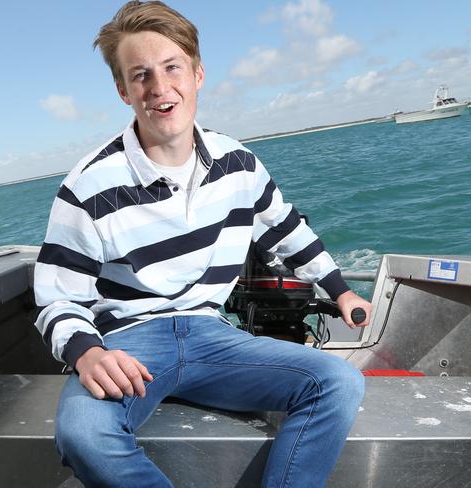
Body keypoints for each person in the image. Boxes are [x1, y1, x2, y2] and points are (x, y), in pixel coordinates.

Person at [33, 1, 372, 486]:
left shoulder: (239, 163)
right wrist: (88, 352)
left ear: (197, 74)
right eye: (141, 75)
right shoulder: (88, 185)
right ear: (123, 91)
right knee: (82, 434)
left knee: (338, 382)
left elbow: (285, 228)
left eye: (172, 68)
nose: (159, 87)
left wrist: (340, 290)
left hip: (213, 335)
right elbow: (57, 296)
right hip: (129, 346)